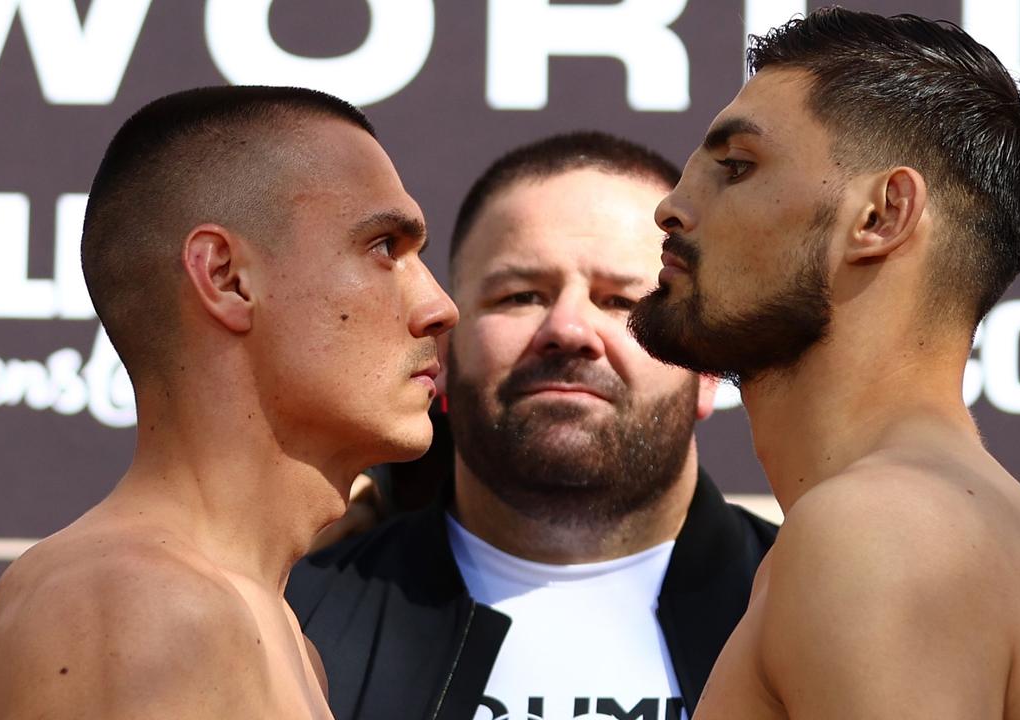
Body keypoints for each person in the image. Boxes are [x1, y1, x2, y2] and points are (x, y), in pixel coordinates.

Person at [628, 8, 1020, 719]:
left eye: (737, 168)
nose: (671, 207)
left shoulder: (879, 534)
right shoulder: (960, 521)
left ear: (881, 216)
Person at [0, 86, 457, 720]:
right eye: (384, 248)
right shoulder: (142, 605)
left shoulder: (274, 634)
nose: (440, 307)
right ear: (225, 279)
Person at [287, 131, 779, 720]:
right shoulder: (291, 625)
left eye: (624, 302)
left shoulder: (821, 615)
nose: (569, 329)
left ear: (705, 372)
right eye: (521, 296)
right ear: (441, 353)